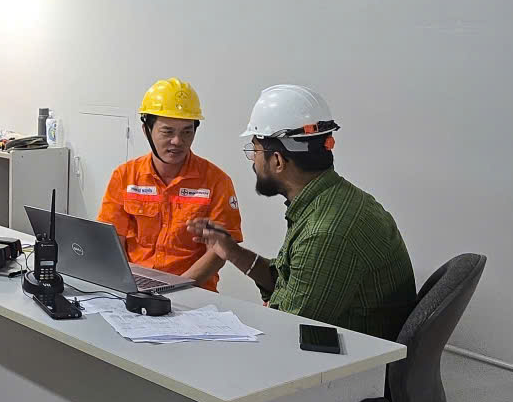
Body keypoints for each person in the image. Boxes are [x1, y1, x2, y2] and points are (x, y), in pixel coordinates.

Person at [189, 85, 416, 340]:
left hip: (349, 358)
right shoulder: (330, 201)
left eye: (255, 151)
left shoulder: (326, 231)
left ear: (277, 160)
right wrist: (231, 251)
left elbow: (288, 330)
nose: (253, 161)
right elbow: (289, 281)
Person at [98, 79, 242, 292]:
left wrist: (173, 289)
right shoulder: (125, 176)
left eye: (186, 131)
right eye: (167, 132)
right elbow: (111, 240)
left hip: (193, 292)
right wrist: (122, 285)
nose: (177, 141)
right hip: (135, 289)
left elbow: (220, 250)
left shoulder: (217, 181)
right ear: (147, 130)